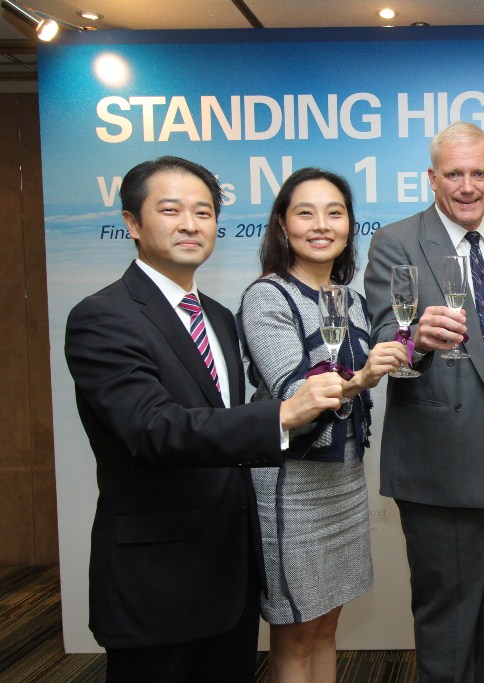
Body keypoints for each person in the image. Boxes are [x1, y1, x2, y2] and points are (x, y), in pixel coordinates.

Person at [65, 156, 345, 683]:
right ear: (132, 223)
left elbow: (223, 428)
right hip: (158, 578)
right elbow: (153, 429)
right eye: (170, 210)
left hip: (227, 572)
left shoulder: (216, 314)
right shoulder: (102, 317)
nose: (190, 224)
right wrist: (282, 414)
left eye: (203, 212)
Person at [364, 121, 484, 683]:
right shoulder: (396, 240)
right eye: (454, 174)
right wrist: (415, 336)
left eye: (479, 174)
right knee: (449, 623)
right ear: (431, 178)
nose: (467, 187)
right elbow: (380, 339)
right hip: (443, 463)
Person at [237, 168, 406, 683]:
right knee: (296, 633)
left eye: (334, 213)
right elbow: (297, 396)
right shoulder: (267, 297)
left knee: (329, 626)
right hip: (291, 488)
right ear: (282, 226)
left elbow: (354, 382)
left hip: (342, 481)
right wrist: (361, 379)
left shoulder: (349, 298)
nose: (321, 224)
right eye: (305, 213)